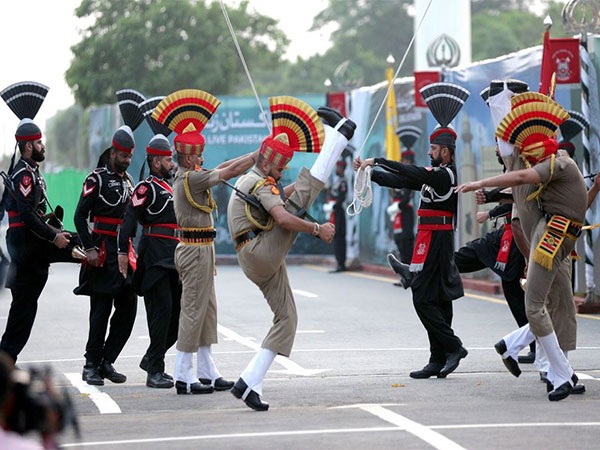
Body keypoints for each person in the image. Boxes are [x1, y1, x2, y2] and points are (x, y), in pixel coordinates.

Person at [457, 93, 587, 401]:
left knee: (545, 304)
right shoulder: (555, 166)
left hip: (555, 237)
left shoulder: (556, 164)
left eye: (529, 153)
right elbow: (518, 185)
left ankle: (524, 352)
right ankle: (560, 374)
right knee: (544, 304)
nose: (525, 159)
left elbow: (520, 175)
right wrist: (489, 196)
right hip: (555, 236)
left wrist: (479, 184)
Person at [227, 100, 354, 411]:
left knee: (287, 319)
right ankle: (338, 138)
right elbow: (283, 219)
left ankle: (248, 382)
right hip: (261, 251)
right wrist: (316, 229)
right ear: (269, 163)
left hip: (257, 255)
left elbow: (277, 197)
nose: (283, 172)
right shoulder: (257, 181)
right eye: (281, 167)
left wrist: (302, 184)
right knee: (299, 203)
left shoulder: (255, 181)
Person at [152, 89, 257, 395]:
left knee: (208, 310)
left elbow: (225, 165)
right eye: (198, 153)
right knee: (193, 311)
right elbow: (230, 170)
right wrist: (256, 157)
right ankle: (183, 373)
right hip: (194, 250)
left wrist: (253, 154)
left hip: (203, 249)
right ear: (186, 155)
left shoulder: (193, 173)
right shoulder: (188, 178)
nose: (201, 157)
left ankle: (207, 370)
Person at [366, 82, 469, 379]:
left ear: (446, 153)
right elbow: (403, 181)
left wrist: (380, 160)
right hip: (430, 239)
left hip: (438, 240)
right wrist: (371, 173)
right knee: (437, 298)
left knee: (423, 298)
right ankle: (437, 358)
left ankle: (453, 347)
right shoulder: (434, 174)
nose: (430, 152)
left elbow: (410, 172)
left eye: (434, 149)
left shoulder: (443, 175)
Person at [0, 81, 82, 362]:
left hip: (31, 244)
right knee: (21, 319)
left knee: (23, 315)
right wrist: (53, 235)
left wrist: (49, 222)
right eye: (37, 142)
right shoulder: (24, 173)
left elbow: (31, 212)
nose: (42, 145)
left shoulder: (31, 171)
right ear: (26, 147)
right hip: (27, 246)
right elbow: (24, 215)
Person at [74, 89, 145, 386]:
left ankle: (107, 360)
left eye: (130, 155)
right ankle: (90, 365)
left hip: (124, 252)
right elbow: (79, 217)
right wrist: (88, 248)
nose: (127, 160)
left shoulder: (130, 181)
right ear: (112, 151)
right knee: (100, 311)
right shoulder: (96, 179)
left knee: (128, 310)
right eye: (123, 155)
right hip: (102, 251)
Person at [117, 106, 179, 389]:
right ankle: (155, 370)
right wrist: (122, 250)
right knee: (161, 312)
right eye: (167, 159)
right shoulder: (146, 188)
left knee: (177, 316)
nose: (171, 163)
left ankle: (152, 358)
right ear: (155, 163)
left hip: (174, 257)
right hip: (154, 257)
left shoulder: (172, 186)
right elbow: (130, 218)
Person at [454, 149, 534, 363]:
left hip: (522, 236)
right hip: (507, 232)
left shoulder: (528, 167)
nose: (498, 149)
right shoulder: (510, 168)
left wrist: (488, 206)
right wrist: (489, 198)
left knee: (521, 294)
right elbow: (509, 194)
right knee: (472, 251)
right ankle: (426, 269)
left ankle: (538, 347)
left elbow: (518, 193)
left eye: (502, 145)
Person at [387, 148, 416, 286]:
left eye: (408, 161)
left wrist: (397, 206)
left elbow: (406, 197)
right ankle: (404, 275)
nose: (405, 163)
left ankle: (411, 275)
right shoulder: (400, 177)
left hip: (406, 214)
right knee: (399, 242)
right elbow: (394, 194)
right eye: (404, 161)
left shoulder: (412, 177)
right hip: (397, 215)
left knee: (407, 244)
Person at [324, 159, 348, 272]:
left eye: (339, 168)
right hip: (334, 212)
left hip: (338, 212)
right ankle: (339, 262)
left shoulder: (343, 182)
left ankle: (341, 264)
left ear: (342, 169)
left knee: (339, 237)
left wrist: (334, 206)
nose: (337, 170)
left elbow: (342, 197)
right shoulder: (336, 181)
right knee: (335, 237)